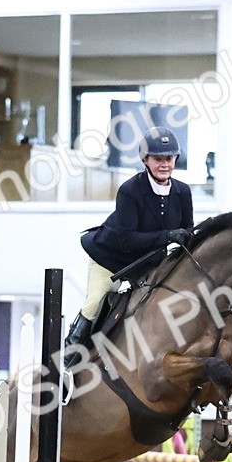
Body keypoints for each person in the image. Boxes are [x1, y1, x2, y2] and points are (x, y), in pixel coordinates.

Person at [65, 126, 194, 366]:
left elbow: (186, 233)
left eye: (169, 158)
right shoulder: (130, 190)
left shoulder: (183, 192)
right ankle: (70, 356)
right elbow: (126, 239)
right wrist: (167, 236)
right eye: (158, 159)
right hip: (111, 258)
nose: (164, 164)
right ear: (145, 160)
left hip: (147, 262)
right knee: (96, 301)